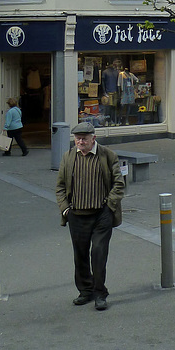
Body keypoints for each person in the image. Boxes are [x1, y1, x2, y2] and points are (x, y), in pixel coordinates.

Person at [55, 122, 125, 311]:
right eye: (77, 138)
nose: (80, 142)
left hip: (101, 214)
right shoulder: (68, 157)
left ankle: (100, 293)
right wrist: (65, 209)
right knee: (80, 255)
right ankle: (86, 291)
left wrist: (109, 207)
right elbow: (60, 186)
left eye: (84, 138)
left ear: (93, 138)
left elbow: (119, 184)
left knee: (98, 253)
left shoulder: (108, 155)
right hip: (76, 215)